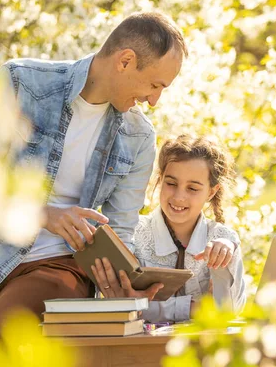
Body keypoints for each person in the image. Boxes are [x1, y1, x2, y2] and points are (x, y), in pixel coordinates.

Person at [0, 11, 187, 367]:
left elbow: (121, 230)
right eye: (155, 85)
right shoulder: (21, 83)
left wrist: (122, 286)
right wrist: (43, 214)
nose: (154, 100)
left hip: (62, 267)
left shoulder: (138, 136)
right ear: (125, 60)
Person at [91, 135, 247, 322]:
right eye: (171, 184)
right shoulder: (130, 233)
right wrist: (192, 309)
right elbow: (120, 303)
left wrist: (223, 263)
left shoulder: (224, 238)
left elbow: (228, 312)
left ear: (211, 192)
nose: (179, 197)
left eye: (193, 189)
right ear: (160, 179)